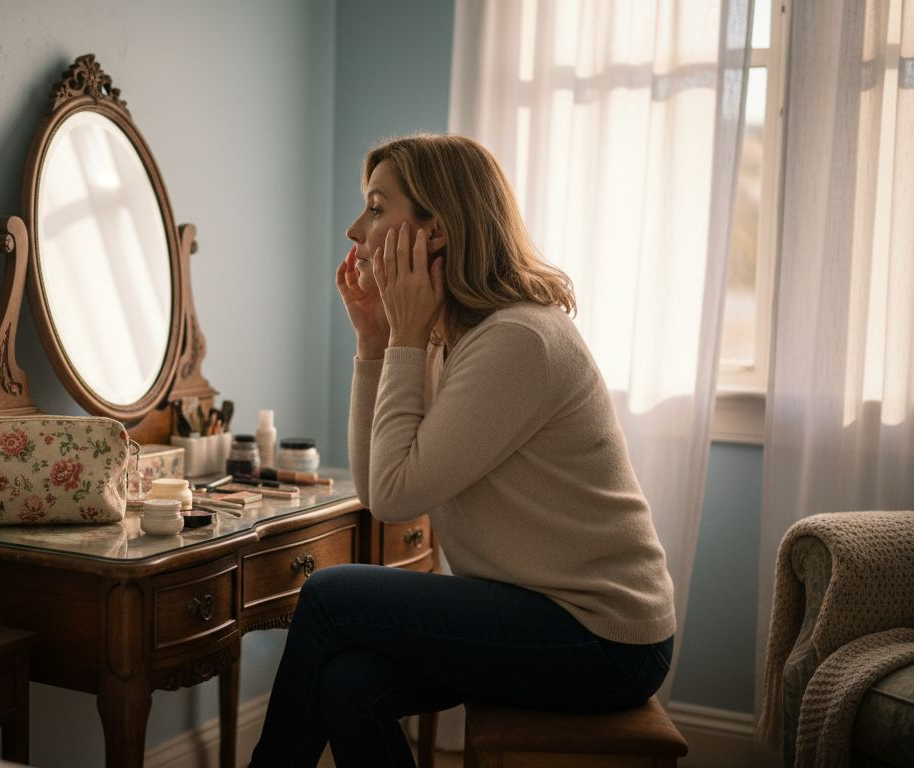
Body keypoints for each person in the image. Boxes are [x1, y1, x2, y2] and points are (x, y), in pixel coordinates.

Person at [249, 134, 676, 768]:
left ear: (437, 231)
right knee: (347, 685)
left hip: (599, 637)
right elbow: (379, 489)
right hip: (530, 613)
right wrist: (376, 339)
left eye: (374, 207)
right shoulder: (451, 340)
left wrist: (403, 339)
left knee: (330, 596)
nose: (353, 229)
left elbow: (393, 499)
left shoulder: (518, 341)